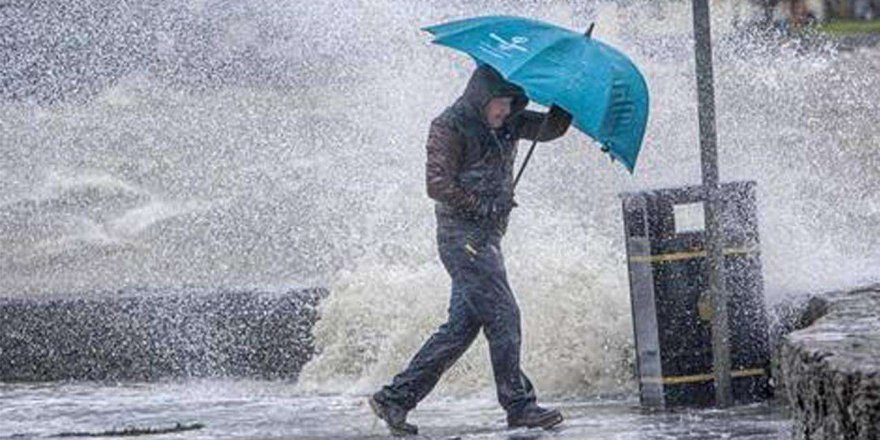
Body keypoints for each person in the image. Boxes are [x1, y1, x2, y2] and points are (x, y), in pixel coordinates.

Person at [369, 64, 572, 436]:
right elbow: (437, 184)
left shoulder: (509, 121)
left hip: (487, 239)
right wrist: (482, 205)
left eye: (512, 104)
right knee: (504, 315)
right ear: (482, 97)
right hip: (461, 239)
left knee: (460, 329)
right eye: (500, 103)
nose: (505, 112)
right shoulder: (449, 126)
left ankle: (395, 398)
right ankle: (520, 405)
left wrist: (565, 99)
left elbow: (549, 129)